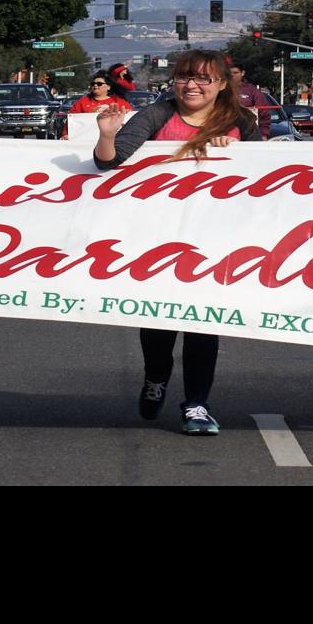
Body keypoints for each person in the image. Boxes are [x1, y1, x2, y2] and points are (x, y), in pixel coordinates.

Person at [91, 49, 261, 437]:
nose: (193, 85)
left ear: (221, 84)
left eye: (204, 78)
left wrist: (236, 155)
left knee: (204, 323)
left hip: (216, 239)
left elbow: (266, 174)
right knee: (159, 320)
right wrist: (106, 135)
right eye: (185, 77)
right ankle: (155, 378)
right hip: (158, 235)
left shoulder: (239, 120)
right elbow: (109, 161)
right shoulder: (157, 115)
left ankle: (197, 404)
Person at [228, 60, 278, 139]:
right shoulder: (219, 89)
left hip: (248, 134)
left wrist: (263, 134)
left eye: (235, 73)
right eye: (229, 73)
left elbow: (264, 114)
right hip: (224, 133)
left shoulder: (252, 91)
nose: (232, 75)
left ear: (243, 73)